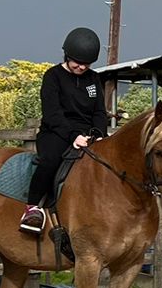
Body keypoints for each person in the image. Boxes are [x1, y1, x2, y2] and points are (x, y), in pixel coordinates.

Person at [20, 27, 109, 235]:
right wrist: (73, 137)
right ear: (67, 56)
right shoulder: (52, 77)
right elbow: (53, 114)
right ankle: (33, 207)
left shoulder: (93, 79)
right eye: (77, 62)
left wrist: (99, 134)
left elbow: (99, 111)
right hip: (57, 132)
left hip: (88, 134)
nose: (81, 67)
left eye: (86, 63)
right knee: (50, 160)